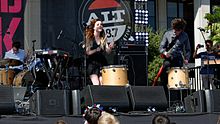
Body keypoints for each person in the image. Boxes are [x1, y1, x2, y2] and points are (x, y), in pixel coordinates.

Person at [159, 18, 191, 97]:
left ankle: (178, 97)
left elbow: (188, 49)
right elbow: (161, 48)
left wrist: (186, 59)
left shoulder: (184, 35)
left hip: (178, 59)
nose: (176, 32)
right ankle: (164, 94)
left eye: (178, 31)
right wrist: (165, 53)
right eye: (175, 30)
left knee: (179, 78)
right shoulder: (167, 34)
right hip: (168, 59)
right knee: (164, 73)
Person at [84, 19, 114, 85]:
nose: (100, 26)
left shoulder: (102, 38)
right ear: (94, 27)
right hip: (92, 63)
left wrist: (110, 47)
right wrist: (96, 50)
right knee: (96, 84)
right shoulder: (90, 38)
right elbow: (88, 52)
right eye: (98, 24)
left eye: (101, 24)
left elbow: (107, 51)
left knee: (103, 83)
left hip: (102, 62)